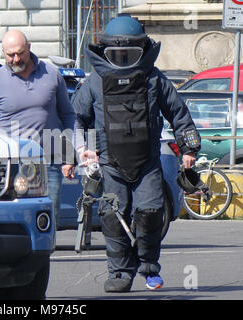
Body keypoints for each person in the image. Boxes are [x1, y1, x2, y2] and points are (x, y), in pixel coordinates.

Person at [63, 14, 201, 292]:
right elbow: (74, 118)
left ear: (143, 50)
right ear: (106, 52)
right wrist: (74, 154)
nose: (124, 58)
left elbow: (178, 113)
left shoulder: (153, 78)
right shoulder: (94, 81)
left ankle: (149, 267)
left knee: (151, 212)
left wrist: (189, 149)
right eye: (118, 54)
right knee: (112, 216)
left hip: (147, 162)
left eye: (130, 54)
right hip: (110, 163)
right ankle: (119, 273)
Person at [0, 30, 76, 228]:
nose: (16, 59)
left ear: (29, 48)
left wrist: (68, 156)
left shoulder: (52, 74)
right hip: (11, 163)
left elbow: (67, 115)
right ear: (3, 53)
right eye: (10, 55)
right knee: (13, 223)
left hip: (48, 163)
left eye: (20, 53)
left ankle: (45, 258)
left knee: (49, 223)